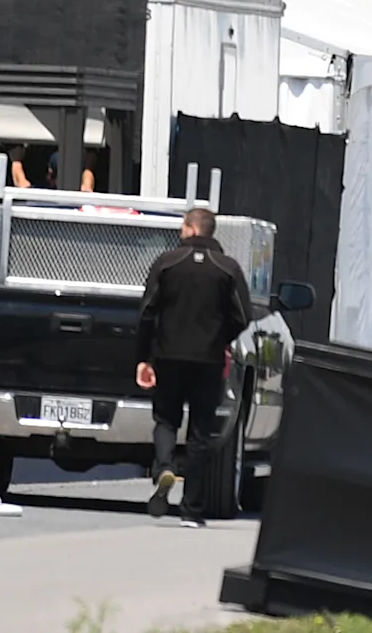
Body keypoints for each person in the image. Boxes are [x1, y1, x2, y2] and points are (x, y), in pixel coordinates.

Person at [134, 205, 254, 522]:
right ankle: (192, 509)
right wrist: (220, 337)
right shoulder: (227, 268)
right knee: (201, 430)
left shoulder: (167, 263)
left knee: (166, 418)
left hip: (168, 355)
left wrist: (145, 357)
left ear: (190, 228)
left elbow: (147, 312)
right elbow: (243, 316)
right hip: (209, 359)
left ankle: (164, 467)